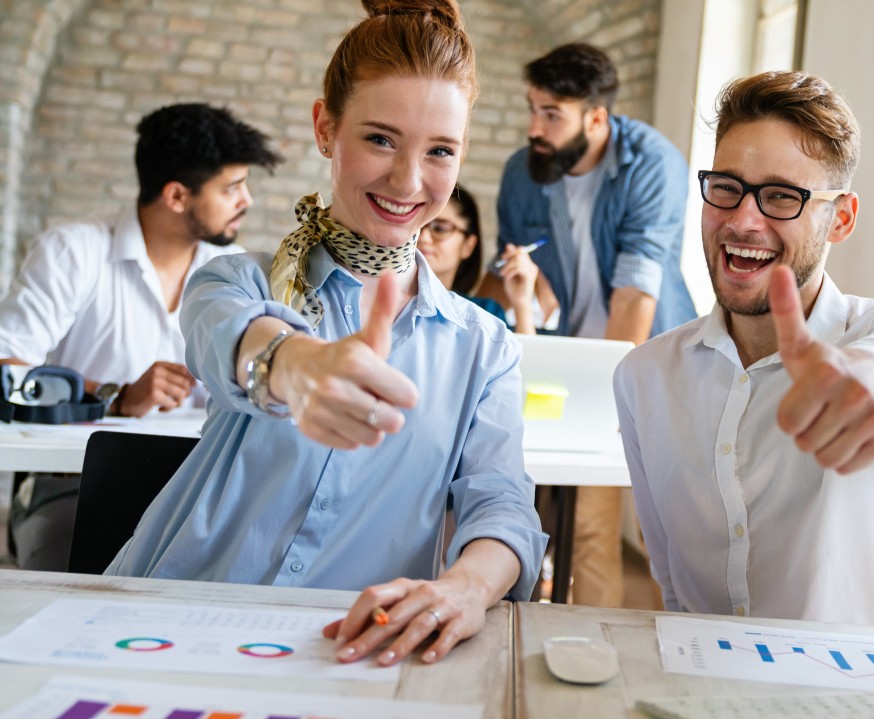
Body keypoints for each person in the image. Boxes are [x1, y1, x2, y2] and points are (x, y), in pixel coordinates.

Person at [107, 0, 547, 668]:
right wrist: (292, 363)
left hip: (345, 654)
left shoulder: (483, 348)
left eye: (439, 151)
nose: (408, 180)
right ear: (325, 127)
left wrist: (465, 586)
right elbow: (227, 336)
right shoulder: (237, 280)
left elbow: (503, 504)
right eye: (379, 139)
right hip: (171, 623)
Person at [613, 71, 874, 629]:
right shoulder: (645, 378)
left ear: (841, 218)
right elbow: (675, 591)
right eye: (727, 187)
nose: (743, 220)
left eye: (782, 196)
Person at [0, 102, 283, 570]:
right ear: (176, 196)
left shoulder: (235, 271)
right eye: (232, 187)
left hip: (196, 492)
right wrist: (115, 395)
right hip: (72, 488)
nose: (246, 200)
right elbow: (7, 371)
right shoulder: (74, 251)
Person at [478, 42, 696, 608]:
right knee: (590, 526)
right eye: (532, 108)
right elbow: (519, 274)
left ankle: (680, 651)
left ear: (597, 118)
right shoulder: (522, 174)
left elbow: (636, 291)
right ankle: (592, 652)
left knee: (668, 536)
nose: (535, 127)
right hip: (568, 364)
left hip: (648, 361)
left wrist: (610, 398)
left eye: (552, 114)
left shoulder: (653, 164)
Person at [418, 184, 549, 334]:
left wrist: (522, 304)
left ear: (468, 245)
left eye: (440, 229)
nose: (423, 238)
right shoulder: (391, 299)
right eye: (418, 225)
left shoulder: (486, 314)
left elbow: (525, 358)